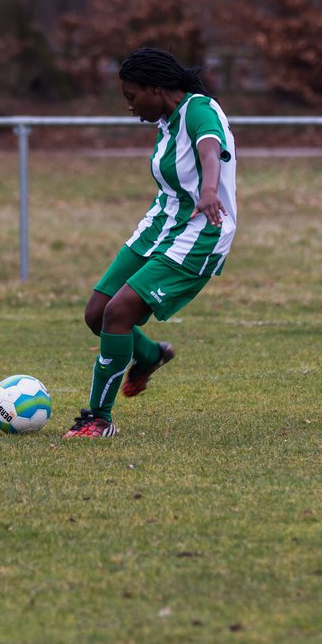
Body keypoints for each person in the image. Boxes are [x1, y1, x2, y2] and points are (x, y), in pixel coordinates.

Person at [64, 47, 238, 438]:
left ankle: (98, 419)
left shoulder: (198, 110)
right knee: (97, 312)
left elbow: (211, 149)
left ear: (156, 89)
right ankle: (149, 354)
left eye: (131, 96)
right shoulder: (167, 119)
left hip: (201, 231)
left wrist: (210, 190)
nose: (129, 106)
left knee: (118, 313)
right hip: (160, 225)